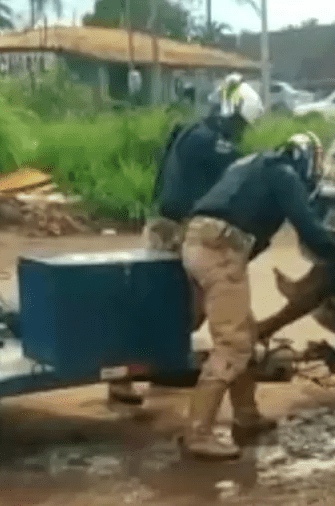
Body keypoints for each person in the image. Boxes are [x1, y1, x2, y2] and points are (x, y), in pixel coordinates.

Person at [179, 131, 335, 459]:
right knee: (232, 345)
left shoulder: (252, 163)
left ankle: (247, 416)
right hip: (222, 250)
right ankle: (198, 434)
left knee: (244, 333)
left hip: (198, 239)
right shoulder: (284, 174)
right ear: (306, 162)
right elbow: (309, 229)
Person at [107, 108, 245, 406]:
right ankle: (132, 370)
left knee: (156, 299)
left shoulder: (187, 131)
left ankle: (148, 364)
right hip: (179, 227)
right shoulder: (215, 143)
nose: (241, 130)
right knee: (189, 303)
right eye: (241, 123)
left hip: (162, 221)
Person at [208, 73, 264, 138]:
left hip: (239, 121)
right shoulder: (248, 90)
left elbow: (212, 98)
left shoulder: (239, 90)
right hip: (246, 121)